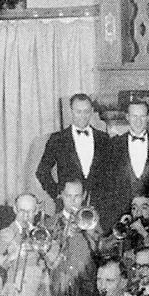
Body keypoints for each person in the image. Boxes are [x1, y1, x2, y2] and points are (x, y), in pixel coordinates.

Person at [35, 93, 117, 225]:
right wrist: (58, 194)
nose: (82, 116)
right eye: (78, 111)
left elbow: (112, 172)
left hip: (99, 208)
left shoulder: (104, 139)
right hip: (68, 207)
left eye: (86, 111)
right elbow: (42, 171)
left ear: (92, 111)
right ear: (71, 111)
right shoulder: (57, 139)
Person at [0, 192, 53, 296]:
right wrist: (11, 257)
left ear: (36, 211)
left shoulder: (42, 235)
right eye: (22, 211)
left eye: (30, 212)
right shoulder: (4, 235)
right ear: (15, 209)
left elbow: (53, 265)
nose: (25, 217)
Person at [45, 179, 101, 296]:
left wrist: (89, 232)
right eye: (68, 196)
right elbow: (48, 261)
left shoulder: (92, 221)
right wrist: (63, 237)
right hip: (59, 285)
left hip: (85, 286)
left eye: (77, 196)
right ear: (61, 195)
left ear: (84, 196)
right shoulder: (50, 224)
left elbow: (98, 252)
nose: (73, 201)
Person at [111, 100, 149, 210]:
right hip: (122, 209)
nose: (138, 121)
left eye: (142, 116)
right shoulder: (114, 144)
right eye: (134, 116)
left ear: (148, 118)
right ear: (127, 117)